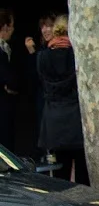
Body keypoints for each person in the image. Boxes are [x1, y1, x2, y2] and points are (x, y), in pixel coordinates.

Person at [36, 15, 89, 185]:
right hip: (77, 120)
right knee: (83, 176)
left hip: (54, 122)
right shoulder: (78, 55)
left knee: (60, 179)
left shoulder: (42, 57)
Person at [0, 9, 18, 152]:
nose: (13, 30)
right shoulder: (2, 49)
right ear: (5, 27)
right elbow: (8, 79)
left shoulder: (6, 48)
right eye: (11, 26)